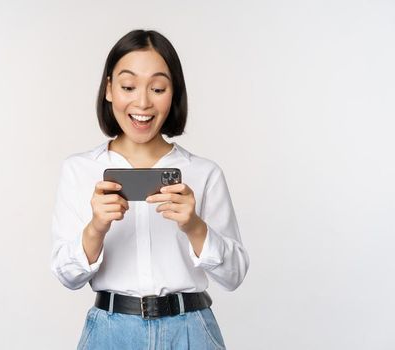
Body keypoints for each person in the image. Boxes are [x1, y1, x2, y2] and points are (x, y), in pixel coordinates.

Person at [50, 29, 249, 349]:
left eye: (157, 88)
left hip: (191, 332)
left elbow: (234, 275)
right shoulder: (79, 170)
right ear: (109, 89)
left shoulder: (203, 173)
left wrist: (195, 226)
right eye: (129, 86)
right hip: (110, 334)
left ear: (174, 93)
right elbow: (67, 276)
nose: (143, 102)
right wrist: (96, 228)